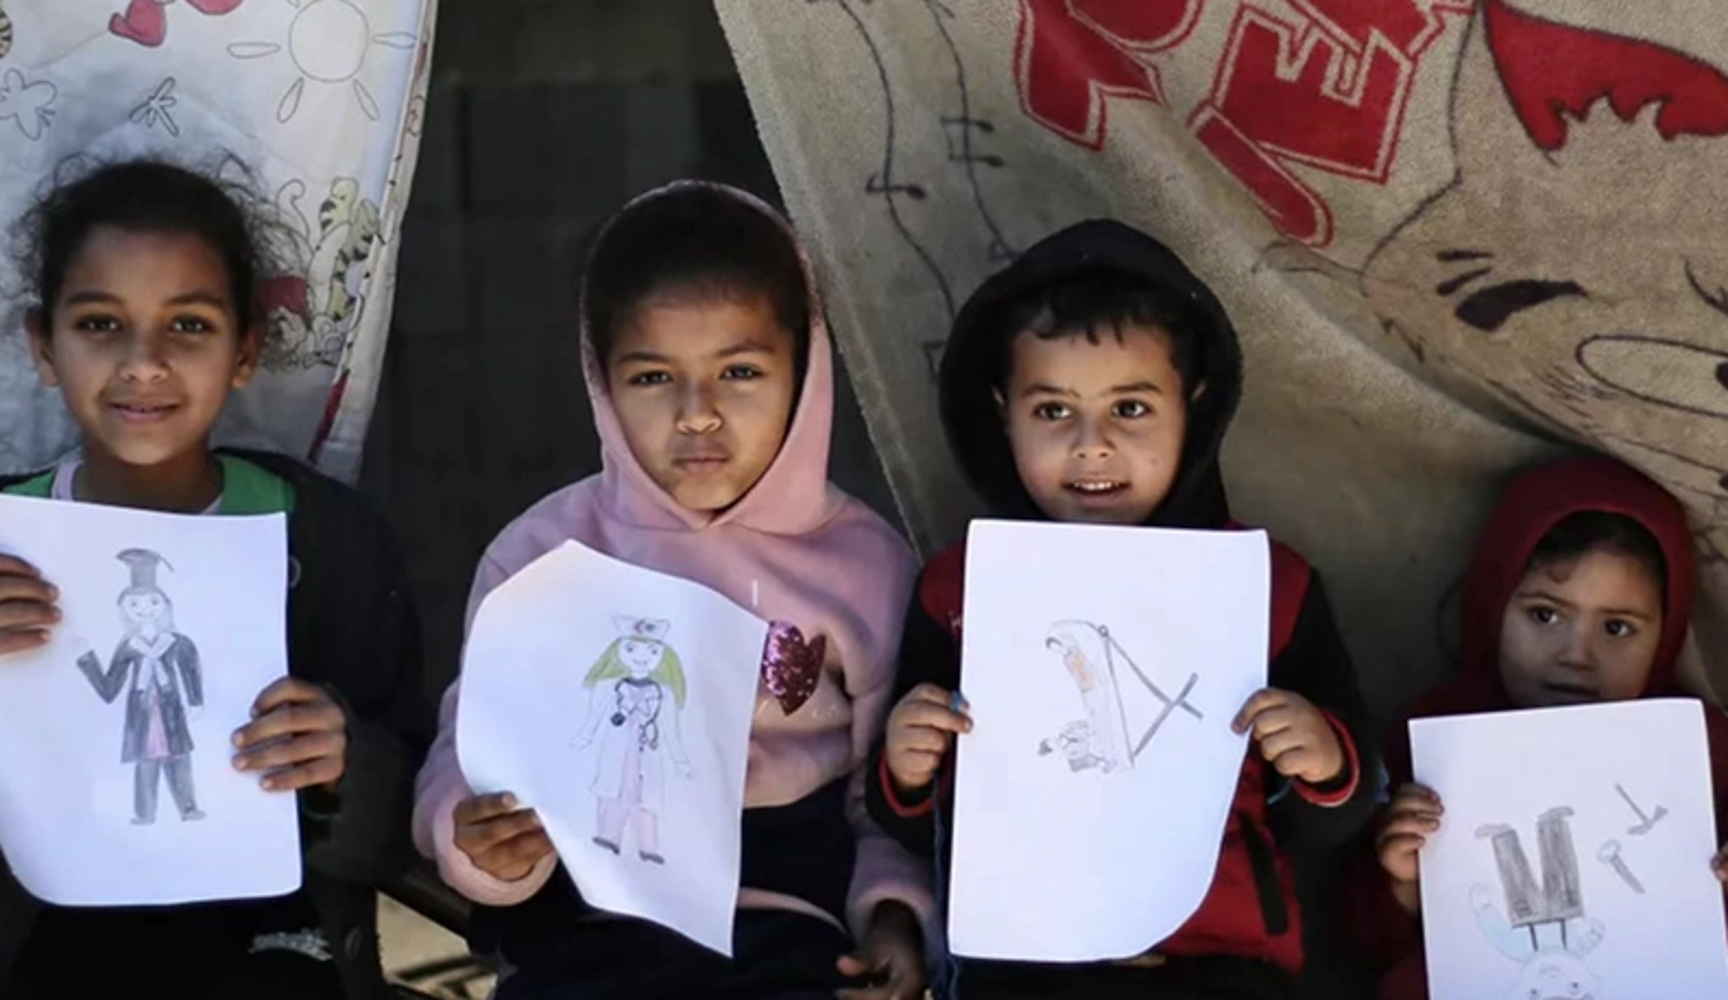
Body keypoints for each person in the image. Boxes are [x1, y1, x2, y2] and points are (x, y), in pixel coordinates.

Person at [411, 181, 931, 999]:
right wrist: (473, 840)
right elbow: (468, 748)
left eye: (740, 371)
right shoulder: (541, 558)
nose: (698, 414)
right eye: (654, 378)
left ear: (807, 370)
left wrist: (894, 916)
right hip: (587, 925)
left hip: (790, 929)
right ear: (600, 381)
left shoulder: (867, 568)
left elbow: (888, 801)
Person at [867, 219, 1379, 999]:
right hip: (1026, 966)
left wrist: (1325, 760)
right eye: (1052, 412)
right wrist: (906, 768)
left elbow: (1346, 817)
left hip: (1223, 967)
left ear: (1194, 404)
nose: (1092, 445)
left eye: (1131, 409)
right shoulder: (959, 593)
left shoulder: (1270, 588)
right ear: (1003, 411)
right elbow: (917, 824)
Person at [0, 158, 430, 1000]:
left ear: (247, 350)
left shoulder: (325, 541)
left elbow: (419, 809)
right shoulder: (6, 540)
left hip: (271, 944)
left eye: (189, 326)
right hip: (41, 939)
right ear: (42, 346)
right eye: (99, 324)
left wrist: (344, 765)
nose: (145, 362)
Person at [1343, 454, 1728, 999]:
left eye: (1617, 627)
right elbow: (1366, 937)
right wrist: (1404, 884)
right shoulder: (1438, 737)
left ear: (1665, 636)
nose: (1577, 655)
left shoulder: (1702, 751)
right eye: (1545, 615)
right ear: (1494, 604)